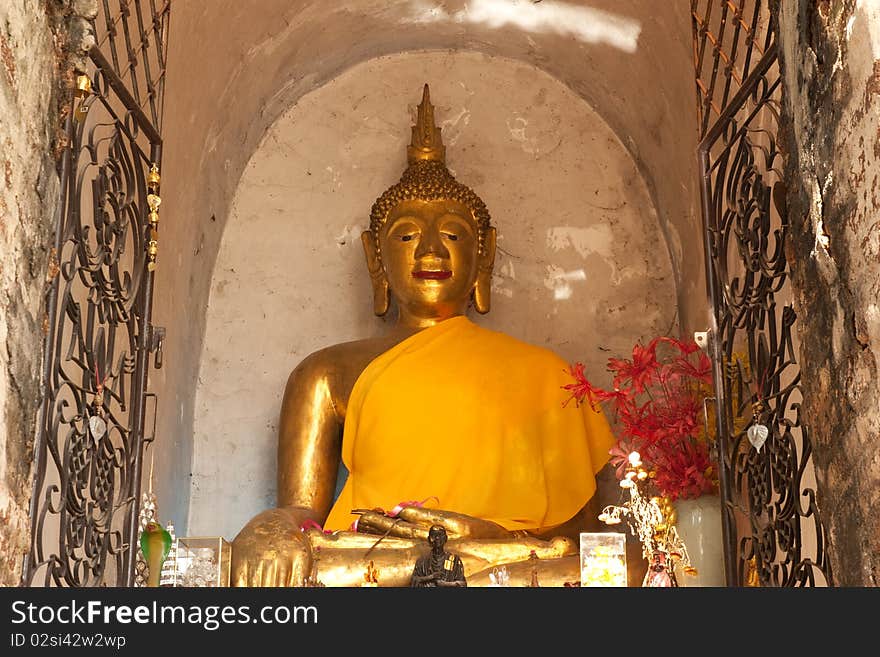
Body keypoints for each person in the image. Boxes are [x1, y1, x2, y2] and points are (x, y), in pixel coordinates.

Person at [230, 85, 618, 587]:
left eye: (454, 235)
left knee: (614, 565)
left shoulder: (549, 375)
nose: (431, 250)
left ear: (485, 254)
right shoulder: (326, 374)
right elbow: (302, 511)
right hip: (377, 559)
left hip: (503, 563)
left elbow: (585, 544)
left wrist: (484, 535)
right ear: (376, 258)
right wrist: (269, 527)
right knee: (313, 568)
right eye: (408, 234)